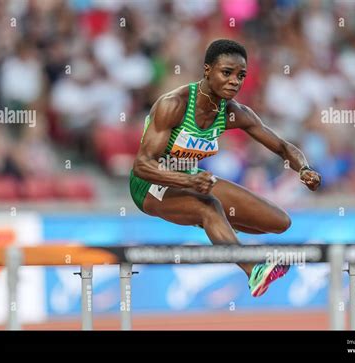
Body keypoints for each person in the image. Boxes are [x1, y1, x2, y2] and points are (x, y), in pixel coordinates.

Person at [130, 39, 321, 297]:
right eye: (227, 72)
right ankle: (253, 270)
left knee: (280, 221)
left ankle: (219, 227)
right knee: (209, 206)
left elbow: (283, 147)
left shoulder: (234, 113)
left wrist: (304, 169)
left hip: (192, 179)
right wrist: (187, 182)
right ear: (207, 70)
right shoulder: (174, 105)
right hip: (151, 184)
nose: (235, 81)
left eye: (241, 75)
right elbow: (142, 165)